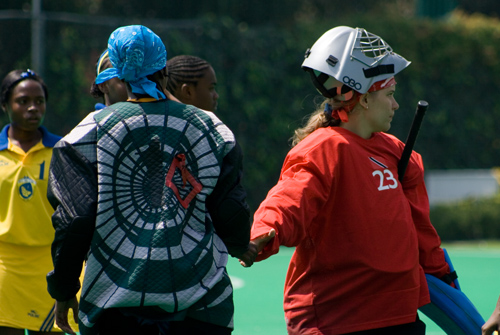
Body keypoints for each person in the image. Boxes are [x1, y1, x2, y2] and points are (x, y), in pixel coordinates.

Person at [240, 26, 454, 334]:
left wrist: (442, 275)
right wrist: (265, 230)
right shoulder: (323, 149)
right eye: (390, 95)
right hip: (336, 319)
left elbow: (421, 228)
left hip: (399, 316)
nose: (395, 105)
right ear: (365, 99)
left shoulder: (399, 154)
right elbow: (289, 199)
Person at [46, 25, 254, 335]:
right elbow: (231, 212)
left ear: (118, 69)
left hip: (113, 307)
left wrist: (64, 290)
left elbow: (75, 221)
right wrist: (240, 245)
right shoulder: (213, 129)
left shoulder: (86, 134)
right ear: (163, 66)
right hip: (202, 308)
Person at [0, 69, 63, 334]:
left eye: (39, 101)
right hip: (4, 268)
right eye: (23, 101)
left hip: (50, 268)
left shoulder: (62, 151)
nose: (33, 108)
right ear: (5, 105)